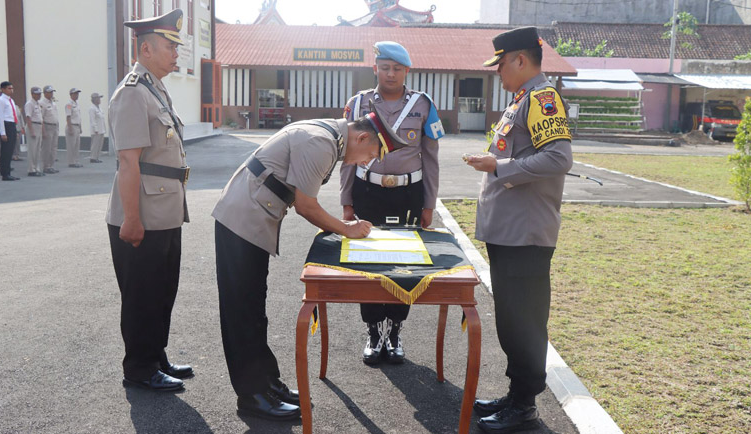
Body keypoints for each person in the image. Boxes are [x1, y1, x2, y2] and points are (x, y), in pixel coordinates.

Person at [211, 107, 407, 421]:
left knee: (253, 312)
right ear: (361, 136)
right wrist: (347, 228)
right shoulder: (322, 142)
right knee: (242, 313)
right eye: (371, 153)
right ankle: (253, 397)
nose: (367, 163)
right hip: (242, 220)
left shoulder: (330, 136)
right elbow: (306, 205)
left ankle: (267, 384)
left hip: (252, 217)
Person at [466, 27, 573, 433]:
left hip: (525, 233)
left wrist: (500, 167)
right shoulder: (522, 100)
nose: (497, 73)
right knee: (512, 319)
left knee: (525, 320)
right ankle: (516, 396)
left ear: (520, 60)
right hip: (509, 231)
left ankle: (524, 405)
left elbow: (559, 158)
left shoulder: (543, 99)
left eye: (500, 64)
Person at [340, 41, 444, 365]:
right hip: (367, 192)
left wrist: (429, 205)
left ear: (406, 72)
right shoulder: (357, 105)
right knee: (369, 265)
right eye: (385, 67)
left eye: (397, 68)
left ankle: (395, 331)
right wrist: (346, 202)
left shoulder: (423, 105)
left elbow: (431, 158)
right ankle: (373, 331)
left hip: (407, 196)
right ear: (375, 68)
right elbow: (347, 159)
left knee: (404, 265)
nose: (390, 73)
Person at [105, 8, 192, 393]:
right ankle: (139, 368)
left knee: (162, 289)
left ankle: (155, 355)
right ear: (145, 48)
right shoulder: (131, 94)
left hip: (166, 209)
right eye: (170, 47)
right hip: (142, 212)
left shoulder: (155, 88)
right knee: (141, 294)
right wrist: (131, 219)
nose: (176, 54)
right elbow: (128, 161)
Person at [0, 81, 20, 181]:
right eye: (9, 88)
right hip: (6, 125)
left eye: (12, 88)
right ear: (3, 89)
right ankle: (4, 173)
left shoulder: (10, 100)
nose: (11, 90)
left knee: (10, 150)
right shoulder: (0, 101)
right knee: (5, 151)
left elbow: (13, 116)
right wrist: (2, 132)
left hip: (12, 125)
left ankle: (8, 172)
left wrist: (15, 130)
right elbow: (0, 117)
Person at [24, 86, 44, 177]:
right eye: (37, 94)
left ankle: (37, 168)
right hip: (33, 125)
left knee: (37, 150)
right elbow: (28, 117)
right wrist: (31, 131)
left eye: (40, 94)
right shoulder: (29, 104)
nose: (39, 95)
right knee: (32, 149)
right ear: (32, 94)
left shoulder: (38, 103)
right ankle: (31, 169)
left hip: (38, 126)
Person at [40, 85, 60, 174]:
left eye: (52, 92)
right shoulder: (42, 103)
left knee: (53, 147)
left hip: (55, 126)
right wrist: (43, 131)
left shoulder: (53, 103)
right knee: (47, 148)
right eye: (49, 92)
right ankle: (46, 166)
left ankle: (51, 165)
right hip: (47, 126)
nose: (51, 94)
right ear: (44, 93)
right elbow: (41, 118)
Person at [65, 88, 83, 168]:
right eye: (75, 94)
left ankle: (76, 161)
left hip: (77, 126)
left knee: (76, 145)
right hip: (72, 126)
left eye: (77, 94)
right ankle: (71, 162)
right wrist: (70, 128)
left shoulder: (77, 104)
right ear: (71, 95)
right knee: (71, 145)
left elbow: (78, 117)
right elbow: (68, 117)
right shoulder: (69, 104)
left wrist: (80, 127)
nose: (77, 95)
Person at [88, 92, 105, 163]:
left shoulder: (99, 108)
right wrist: (96, 129)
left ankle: (97, 157)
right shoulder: (92, 108)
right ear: (94, 99)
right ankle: (93, 157)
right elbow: (93, 120)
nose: (100, 99)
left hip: (101, 129)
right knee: (95, 144)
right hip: (96, 130)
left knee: (99, 144)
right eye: (98, 98)